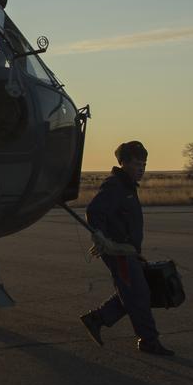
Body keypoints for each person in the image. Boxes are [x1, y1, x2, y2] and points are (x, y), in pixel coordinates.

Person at [79, 140, 174, 356]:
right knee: (138, 294)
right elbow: (94, 211)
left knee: (135, 291)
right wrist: (101, 237)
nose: (141, 168)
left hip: (128, 251)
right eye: (136, 163)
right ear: (123, 163)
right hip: (117, 252)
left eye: (144, 164)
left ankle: (97, 319)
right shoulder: (115, 186)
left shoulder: (127, 186)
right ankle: (149, 341)